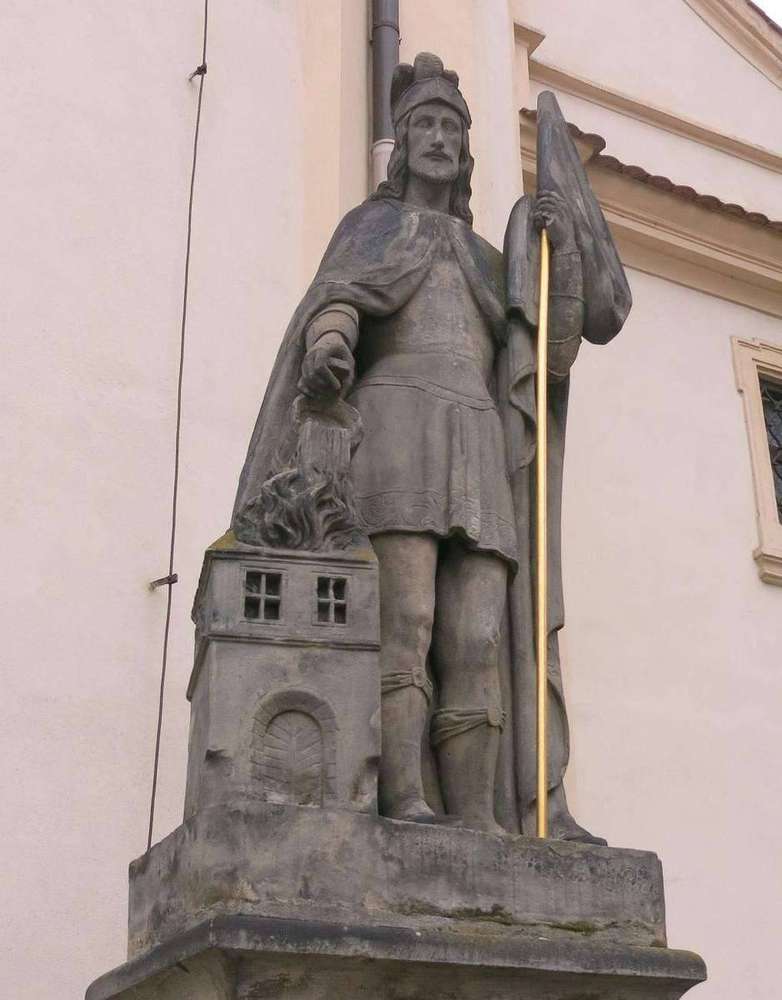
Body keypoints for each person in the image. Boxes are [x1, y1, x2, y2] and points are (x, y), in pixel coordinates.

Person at [233, 53, 630, 841]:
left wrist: (563, 259)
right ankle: (407, 798)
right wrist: (330, 343)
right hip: (397, 427)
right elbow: (339, 298)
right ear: (405, 143)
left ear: (466, 148)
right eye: (426, 126)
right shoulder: (371, 228)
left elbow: (545, 359)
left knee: (479, 635)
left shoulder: (490, 259)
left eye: (452, 127)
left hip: (478, 437)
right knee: (406, 618)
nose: (440, 139)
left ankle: (481, 815)